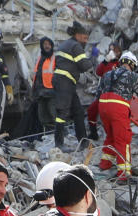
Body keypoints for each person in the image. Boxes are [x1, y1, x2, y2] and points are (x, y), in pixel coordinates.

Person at [97, 51, 138, 181]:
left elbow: (100, 88)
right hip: (118, 106)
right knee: (123, 139)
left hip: (103, 105)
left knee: (110, 135)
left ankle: (105, 164)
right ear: (132, 65)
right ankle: (124, 173)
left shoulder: (108, 73)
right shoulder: (132, 76)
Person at [53, 21, 95, 149]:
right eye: (84, 38)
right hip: (64, 82)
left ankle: (83, 141)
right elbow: (85, 65)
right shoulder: (75, 46)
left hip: (65, 82)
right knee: (62, 113)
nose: (86, 41)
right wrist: (94, 58)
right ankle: (59, 144)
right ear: (77, 35)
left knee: (78, 111)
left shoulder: (66, 44)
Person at [87, 42, 122, 140]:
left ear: (118, 52)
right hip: (102, 93)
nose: (111, 52)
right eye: (110, 50)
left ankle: (113, 136)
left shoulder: (119, 63)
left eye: (113, 50)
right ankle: (93, 133)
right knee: (91, 110)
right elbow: (98, 72)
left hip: (113, 95)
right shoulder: (107, 62)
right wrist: (105, 61)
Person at [32, 37, 57, 140]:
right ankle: (47, 137)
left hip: (51, 92)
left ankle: (58, 136)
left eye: (49, 44)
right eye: (45, 44)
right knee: (42, 116)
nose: (47, 46)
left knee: (53, 114)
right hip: (40, 92)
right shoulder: (40, 58)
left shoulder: (55, 59)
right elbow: (37, 75)